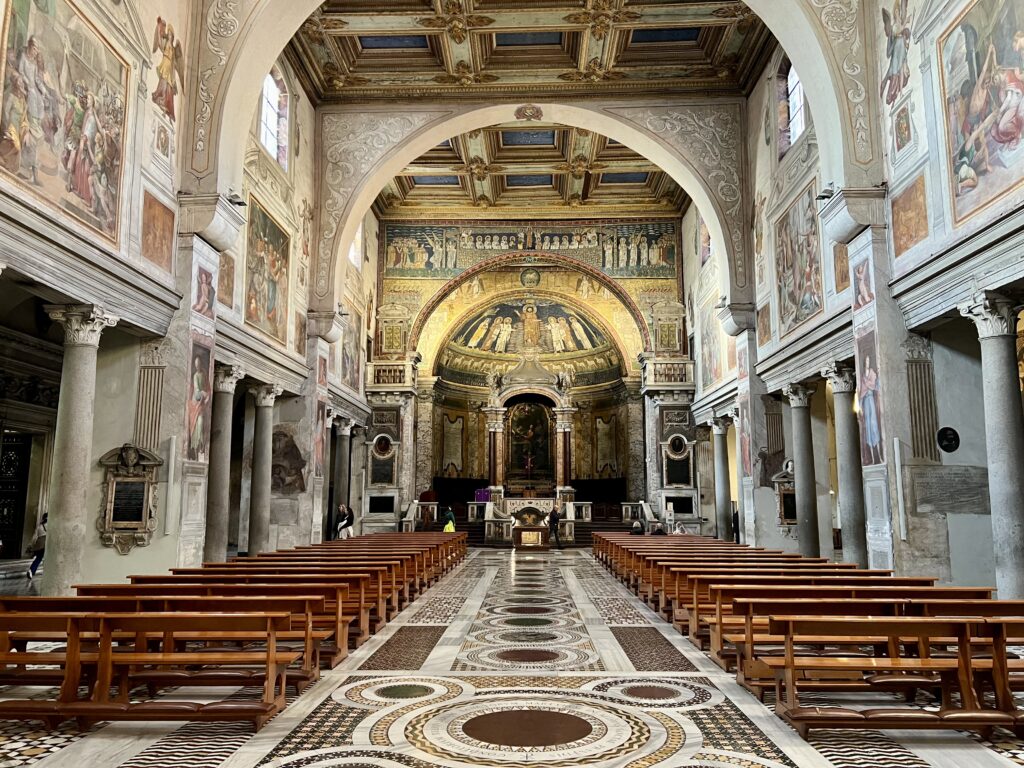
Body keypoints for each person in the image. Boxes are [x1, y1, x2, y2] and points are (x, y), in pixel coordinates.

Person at [27, 513, 46, 579]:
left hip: (39, 544)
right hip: (46, 544)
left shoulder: (39, 526)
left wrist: (30, 545)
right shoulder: (50, 526)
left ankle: (31, 570)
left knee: (38, 558)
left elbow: (34, 537)